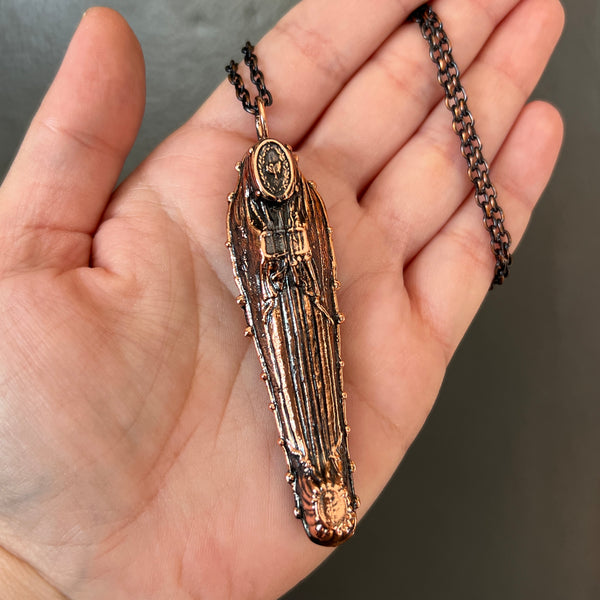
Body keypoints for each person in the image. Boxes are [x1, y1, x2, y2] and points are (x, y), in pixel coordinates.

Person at [0, 0, 564, 597]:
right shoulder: (251, 216)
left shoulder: (303, 210)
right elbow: (256, 267)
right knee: (297, 397)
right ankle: (315, 470)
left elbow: (317, 257)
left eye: (279, 176)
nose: (274, 179)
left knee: (321, 390)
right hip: (278, 314)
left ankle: (327, 468)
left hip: (310, 312)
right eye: (267, 177)